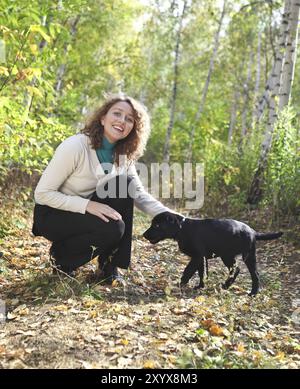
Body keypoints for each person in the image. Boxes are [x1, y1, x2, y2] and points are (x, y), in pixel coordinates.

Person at [32, 93, 170, 284]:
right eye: (117, 114)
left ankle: (109, 266)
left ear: (133, 128)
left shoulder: (123, 156)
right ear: (103, 118)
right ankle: (62, 257)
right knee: (114, 228)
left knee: (123, 185)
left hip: (84, 212)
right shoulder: (76, 146)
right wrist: (87, 205)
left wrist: (176, 218)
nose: (122, 121)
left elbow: (139, 195)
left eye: (129, 119)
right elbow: (42, 194)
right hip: (52, 214)